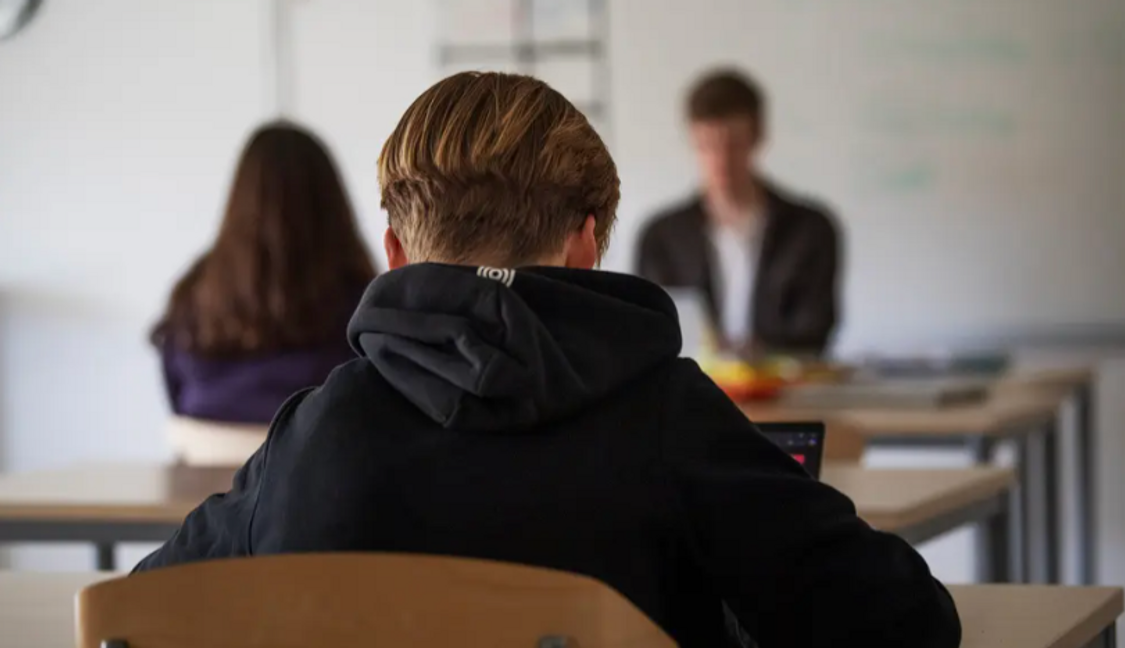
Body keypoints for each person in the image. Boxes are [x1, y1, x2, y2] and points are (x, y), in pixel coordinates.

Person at [136, 72, 960, 648]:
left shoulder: (314, 430)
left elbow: (140, 613)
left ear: (394, 250)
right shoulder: (667, 414)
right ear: (587, 245)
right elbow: (901, 620)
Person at [151, 122, 377, 462]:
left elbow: (176, 394)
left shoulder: (193, 290)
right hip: (320, 494)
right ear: (331, 203)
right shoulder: (359, 297)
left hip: (205, 496)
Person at [637, 69, 840, 356]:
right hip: (690, 393)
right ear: (692, 141)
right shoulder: (661, 237)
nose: (721, 160)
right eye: (708, 146)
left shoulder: (811, 231)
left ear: (758, 136)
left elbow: (814, 332)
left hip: (786, 393)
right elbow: (651, 331)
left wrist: (757, 354)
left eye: (733, 144)